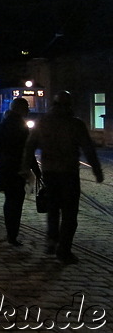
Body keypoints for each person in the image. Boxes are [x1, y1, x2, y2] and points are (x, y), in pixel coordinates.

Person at [21, 91, 104, 264]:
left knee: (53, 210)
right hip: (69, 173)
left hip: (50, 172)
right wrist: (97, 170)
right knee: (69, 214)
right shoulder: (75, 124)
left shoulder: (43, 122)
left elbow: (30, 146)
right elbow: (88, 149)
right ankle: (64, 249)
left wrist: (25, 167)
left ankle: (52, 240)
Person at [0, 97, 39, 246]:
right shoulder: (20, 125)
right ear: (19, 109)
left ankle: (10, 232)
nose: (28, 110)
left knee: (10, 201)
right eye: (26, 107)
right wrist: (36, 170)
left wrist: (0, 170)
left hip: (6, 168)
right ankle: (13, 234)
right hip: (17, 169)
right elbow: (27, 150)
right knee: (16, 202)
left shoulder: (3, 124)